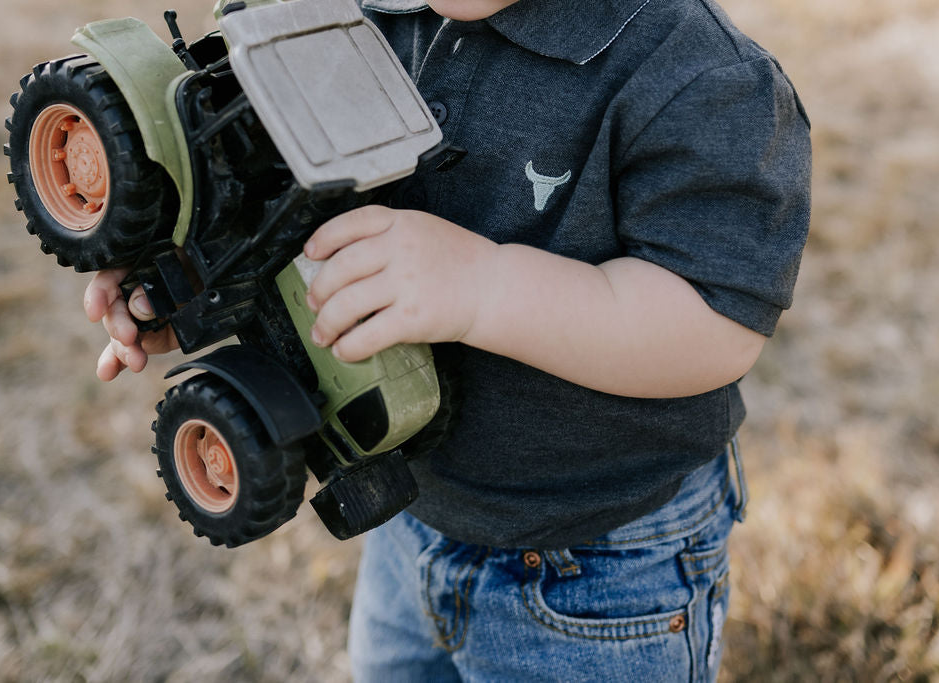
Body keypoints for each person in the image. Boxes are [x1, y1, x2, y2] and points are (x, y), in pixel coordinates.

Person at [84, 0, 811, 679]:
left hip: (602, 564)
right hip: (415, 522)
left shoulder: (693, 76)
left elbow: (714, 325)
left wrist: (484, 287)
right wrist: (186, 267)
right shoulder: (354, 12)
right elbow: (272, 178)